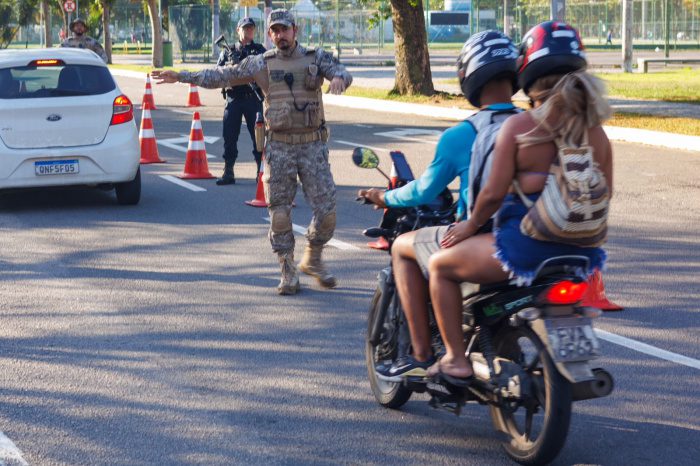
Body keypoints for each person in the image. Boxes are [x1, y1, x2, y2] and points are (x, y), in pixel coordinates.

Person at [426, 21, 613, 381]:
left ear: (526, 70)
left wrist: (467, 225)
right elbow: (605, 193)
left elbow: (492, 196)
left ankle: (455, 359)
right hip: (582, 256)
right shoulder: (596, 131)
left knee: (440, 267)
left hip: (525, 251)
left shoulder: (519, 127)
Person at [152, 9, 352, 295]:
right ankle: (287, 269)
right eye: (275, 31)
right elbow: (221, 75)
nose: (280, 35)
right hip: (280, 147)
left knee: (327, 212)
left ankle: (314, 257)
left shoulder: (315, 57)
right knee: (279, 214)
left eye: (284, 29)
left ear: (295, 30)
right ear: (270, 35)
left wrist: (339, 80)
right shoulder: (260, 63)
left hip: (312, 145)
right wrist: (182, 76)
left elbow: (342, 71)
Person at [359, 30, 521, 380]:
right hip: (538, 237)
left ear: (470, 76)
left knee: (403, 247)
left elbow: (422, 191)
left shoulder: (462, 134)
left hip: (487, 237)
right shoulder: (533, 124)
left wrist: (383, 196)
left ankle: (422, 353)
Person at [216, 17, 266, 186]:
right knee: (229, 137)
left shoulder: (259, 50)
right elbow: (218, 75)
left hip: (253, 100)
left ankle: (261, 172)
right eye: (245, 28)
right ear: (238, 30)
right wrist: (232, 65)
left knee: (259, 138)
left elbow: (266, 71)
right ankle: (228, 171)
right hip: (234, 99)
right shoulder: (228, 51)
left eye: (251, 28)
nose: (249, 30)